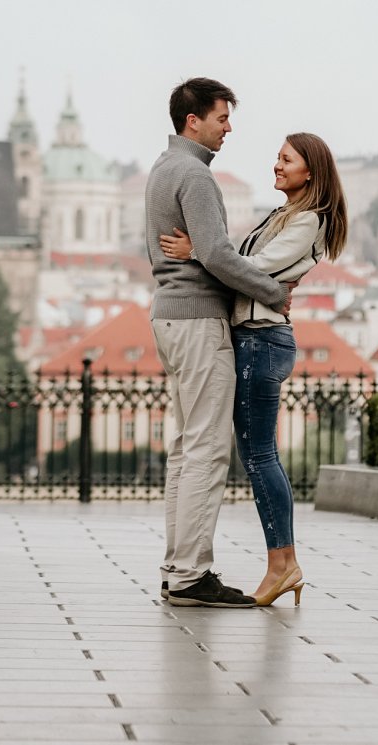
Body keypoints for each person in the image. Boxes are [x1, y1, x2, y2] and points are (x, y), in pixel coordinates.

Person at [160, 132, 348, 607]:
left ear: (312, 170)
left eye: (286, 160)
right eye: (278, 158)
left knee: (260, 456)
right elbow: (253, 271)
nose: (277, 166)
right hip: (253, 335)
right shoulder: (284, 215)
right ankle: (281, 564)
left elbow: (256, 268)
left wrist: (199, 251)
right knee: (257, 454)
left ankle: (283, 565)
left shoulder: (308, 221)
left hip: (263, 339)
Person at [146, 78, 291, 608]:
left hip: (168, 316)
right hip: (199, 322)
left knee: (186, 449)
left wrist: (203, 253)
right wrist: (273, 290)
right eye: (222, 118)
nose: (229, 128)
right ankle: (192, 574)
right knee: (207, 450)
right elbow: (219, 254)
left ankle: (175, 567)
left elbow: (204, 252)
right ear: (194, 121)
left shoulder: (163, 169)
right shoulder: (196, 175)